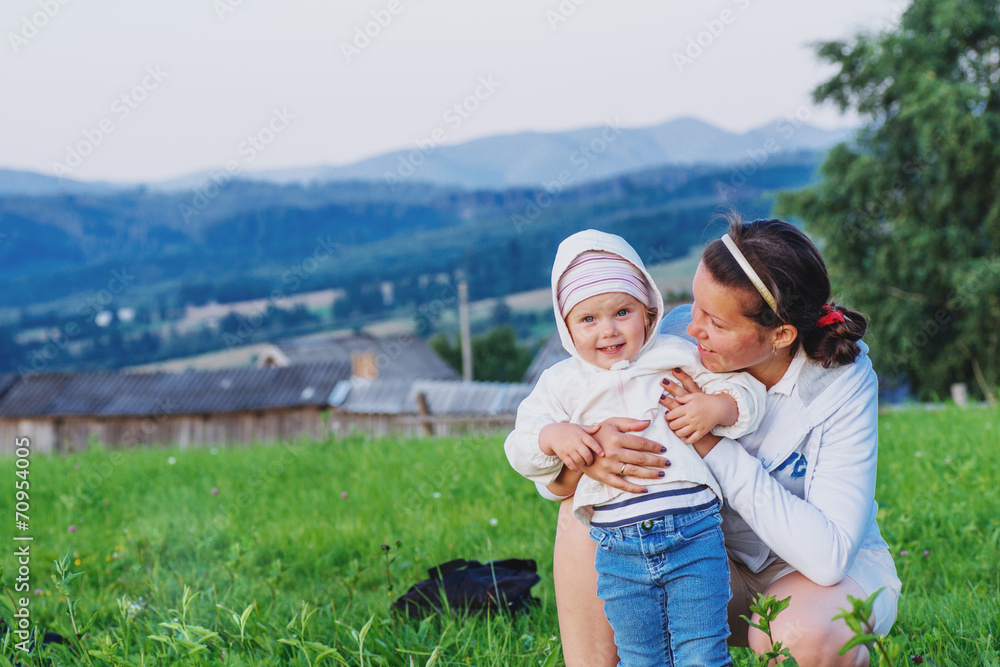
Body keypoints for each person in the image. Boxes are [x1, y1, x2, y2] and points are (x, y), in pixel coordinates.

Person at [540, 215, 902, 666]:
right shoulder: (665, 343)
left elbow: (827, 557)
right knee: (585, 518)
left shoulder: (836, 383)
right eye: (694, 306)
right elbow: (553, 483)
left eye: (715, 322)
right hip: (699, 561)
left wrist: (713, 444)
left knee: (802, 634)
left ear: (781, 335)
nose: (691, 328)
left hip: (813, 579)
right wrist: (589, 459)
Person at [505, 229, 766, 667]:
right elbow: (521, 446)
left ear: (648, 313)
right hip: (617, 547)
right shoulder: (561, 384)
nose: (607, 330)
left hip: (694, 533)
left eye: (622, 312)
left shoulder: (676, 354)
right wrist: (557, 436)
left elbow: (745, 394)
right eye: (588, 319)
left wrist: (715, 406)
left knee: (702, 649)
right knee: (641, 655)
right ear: (566, 328)